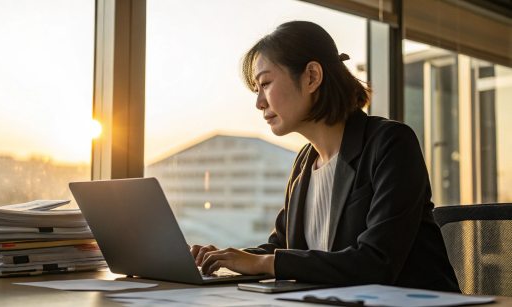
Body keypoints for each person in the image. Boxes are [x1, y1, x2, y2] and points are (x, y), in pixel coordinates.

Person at [189, 21, 460, 292]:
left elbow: (376, 263)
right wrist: (223, 258)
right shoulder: (304, 163)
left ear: (312, 77)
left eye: (266, 83)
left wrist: (261, 263)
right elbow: (281, 249)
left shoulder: (390, 143)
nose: (259, 102)